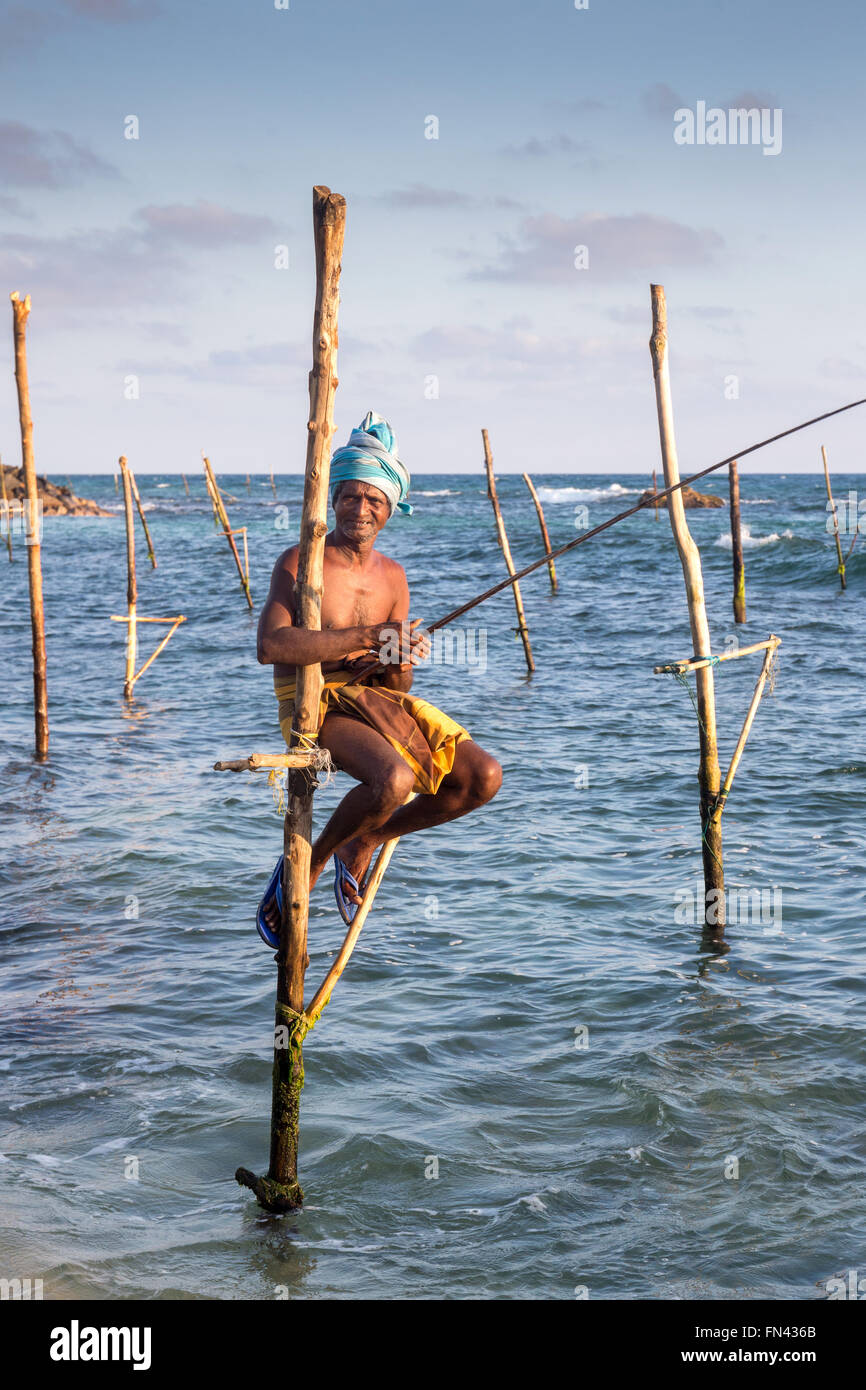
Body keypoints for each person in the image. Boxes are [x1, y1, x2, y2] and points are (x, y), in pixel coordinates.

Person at [255, 411, 502, 937]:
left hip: (374, 702)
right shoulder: (301, 560)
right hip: (316, 701)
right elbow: (272, 645)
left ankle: (366, 839)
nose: (361, 509)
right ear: (335, 498)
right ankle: (311, 865)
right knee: (395, 778)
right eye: (351, 496)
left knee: (482, 778)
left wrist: (395, 657)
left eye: (375, 500)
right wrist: (366, 639)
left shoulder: (394, 576)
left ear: (391, 508)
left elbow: (399, 688)